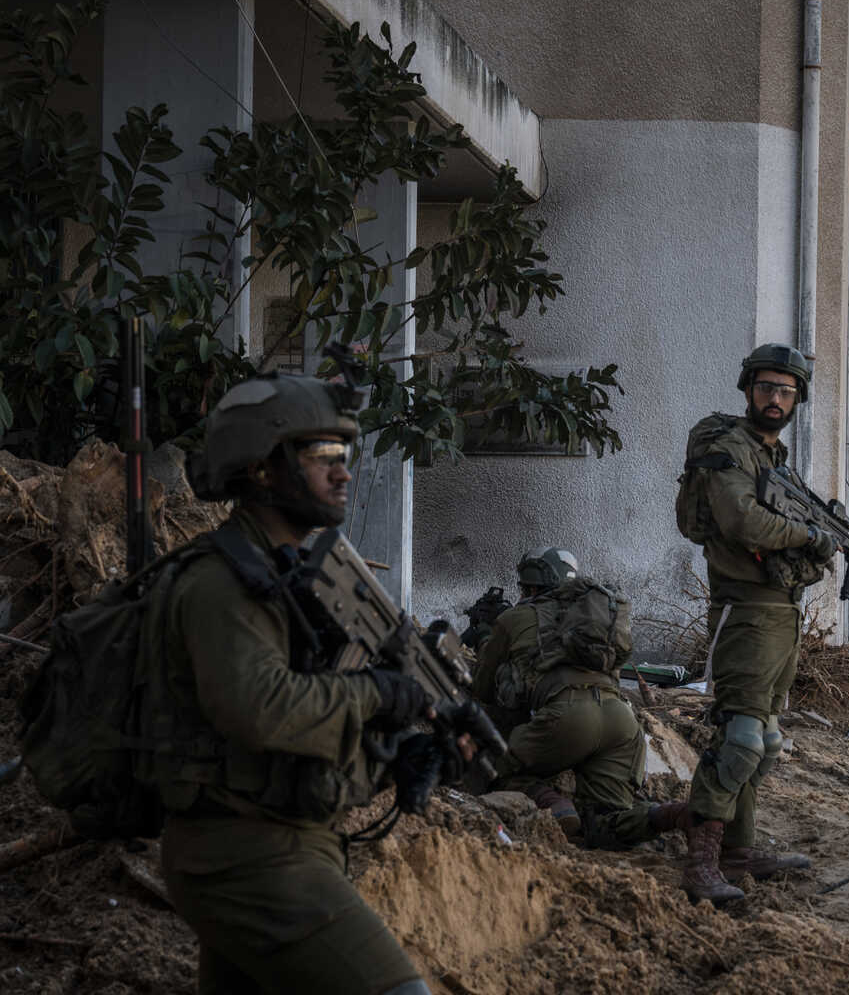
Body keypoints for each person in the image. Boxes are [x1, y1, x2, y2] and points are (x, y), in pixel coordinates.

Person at [155, 373, 438, 995]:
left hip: (278, 841)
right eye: (321, 457)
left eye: (345, 457)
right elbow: (261, 709)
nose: (342, 474)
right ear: (262, 470)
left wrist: (391, 760)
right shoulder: (221, 582)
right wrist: (380, 694)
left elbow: (290, 739)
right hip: (247, 857)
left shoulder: (282, 579)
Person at [675, 343, 837, 903]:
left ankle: (738, 848)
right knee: (739, 739)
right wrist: (812, 536)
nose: (775, 398)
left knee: (765, 741)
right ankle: (700, 863)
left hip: (780, 611)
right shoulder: (729, 447)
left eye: (787, 391)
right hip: (744, 609)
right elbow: (741, 519)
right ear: (748, 389)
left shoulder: (773, 456)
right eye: (766, 387)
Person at [477, 548, 689, 849]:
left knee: (486, 761)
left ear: (532, 586)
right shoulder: (595, 622)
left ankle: (552, 802)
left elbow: (481, 690)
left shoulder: (515, 617)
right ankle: (672, 815)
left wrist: (486, 638)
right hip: (622, 722)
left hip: (567, 718)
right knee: (605, 823)